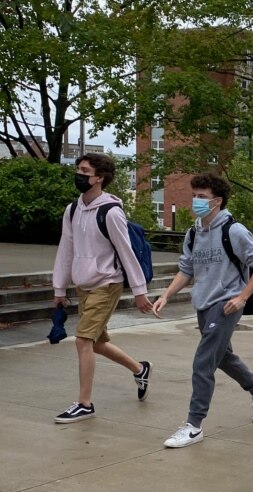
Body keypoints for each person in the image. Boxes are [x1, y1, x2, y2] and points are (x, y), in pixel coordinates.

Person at [154, 174, 253, 447]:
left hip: (227, 303)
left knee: (203, 362)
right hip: (204, 302)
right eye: (194, 195)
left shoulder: (234, 231)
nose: (196, 200)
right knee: (222, 356)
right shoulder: (194, 232)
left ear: (217, 201)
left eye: (202, 196)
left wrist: (241, 298)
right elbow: (186, 270)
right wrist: (166, 296)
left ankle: (194, 425)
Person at [52, 153, 155, 423]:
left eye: (85, 171)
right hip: (83, 285)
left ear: (100, 178)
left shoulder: (111, 212)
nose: (79, 174)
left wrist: (139, 291)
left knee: (83, 339)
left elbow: (126, 252)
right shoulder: (72, 209)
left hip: (107, 283)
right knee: (97, 343)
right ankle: (139, 368)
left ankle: (84, 403)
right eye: (78, 169)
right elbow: (66, 248)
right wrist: (59, 288)